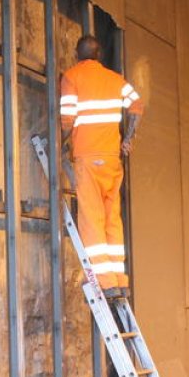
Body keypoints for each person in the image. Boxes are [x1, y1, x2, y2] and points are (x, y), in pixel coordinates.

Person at [59, 36, 143, 293]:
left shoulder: (72, 77)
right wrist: (128, 139)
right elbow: (137, 106)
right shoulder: (115, 79)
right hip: (111, 159)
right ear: (99, 54)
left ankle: (103, 281)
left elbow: (67, 119)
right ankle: (118, 279)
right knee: (111, 218)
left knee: (91, 217)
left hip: (88, 156)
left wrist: (58, 142)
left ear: (76, 54)